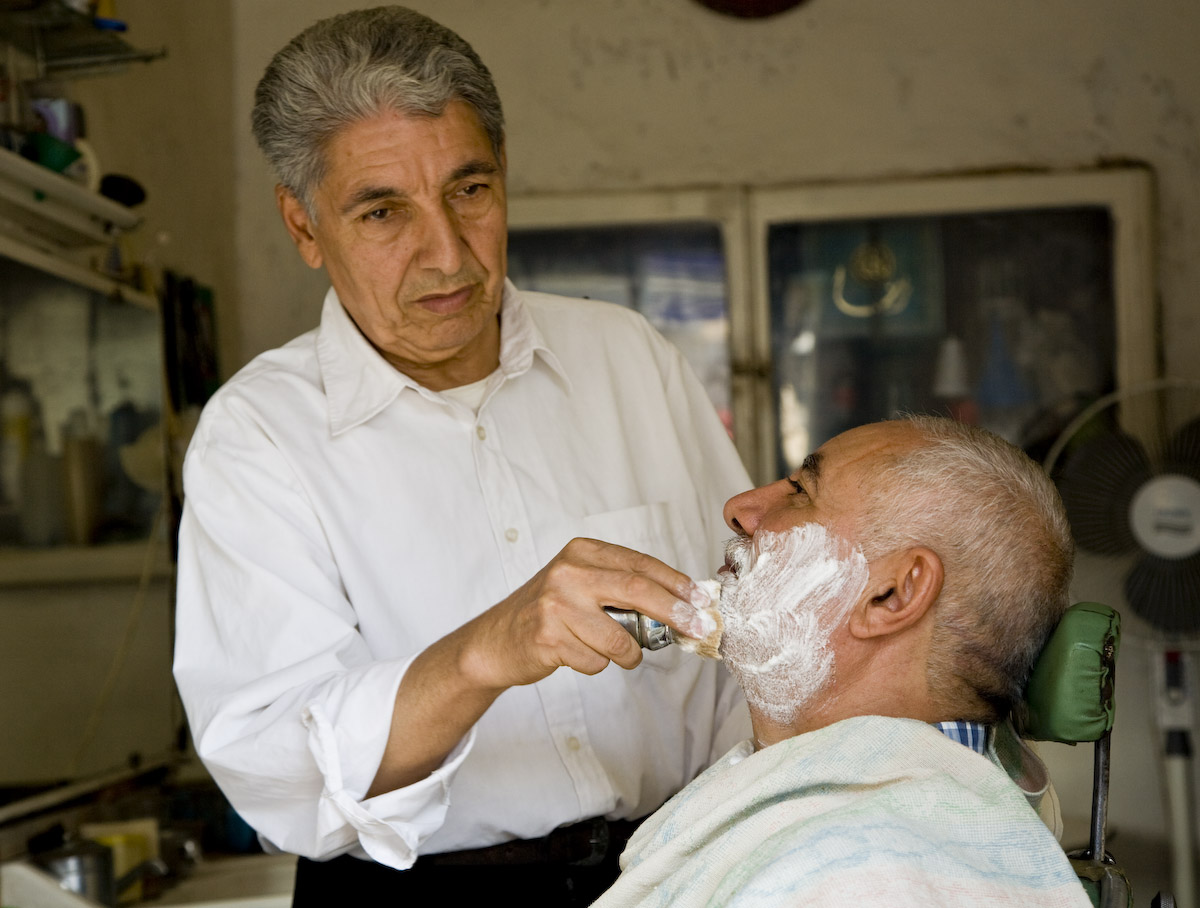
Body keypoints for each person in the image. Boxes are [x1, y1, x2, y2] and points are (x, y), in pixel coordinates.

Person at [171, 6, 750, 906]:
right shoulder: (258, 437)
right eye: (381, 211)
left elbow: (744, 627)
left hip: (672, 869)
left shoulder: (628, 358)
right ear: (304, 227)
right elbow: (275, 759)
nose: (445, 254)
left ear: (505, 177)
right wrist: (486, 652)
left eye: (469, 192)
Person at [594, 415, 1093, 908]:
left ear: (891, 596)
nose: (739, 508)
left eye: (800, 491)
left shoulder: (860, 881)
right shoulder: (912, 833)